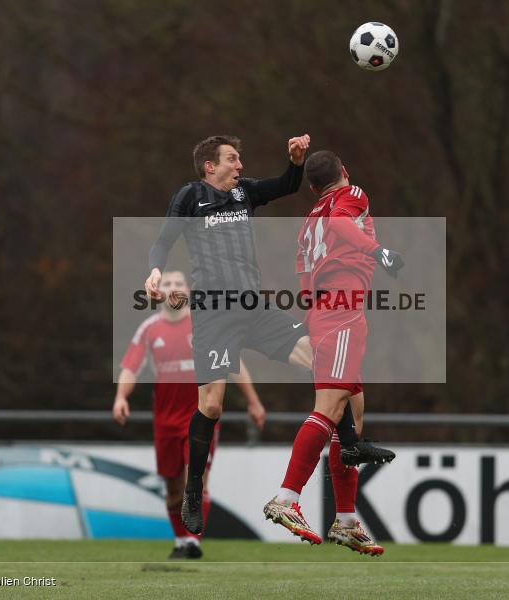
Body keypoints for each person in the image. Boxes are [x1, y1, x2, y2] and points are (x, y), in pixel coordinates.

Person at [144, 135, 392, 535]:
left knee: (321, 358)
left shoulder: (245, 193)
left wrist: (295, 162)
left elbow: (286, 185)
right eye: (232, 158)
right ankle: (193, 492)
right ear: (210, 165)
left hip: (254, 309)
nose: (240, 165)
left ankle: (348, 442)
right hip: (213, 314)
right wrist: (155, 271)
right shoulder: (190, 196)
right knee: (211, 406)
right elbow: (162, 243)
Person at [263, 150, 404, 555]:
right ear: (344, 172)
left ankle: (345, 521)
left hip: (323, 313)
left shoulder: (308, 222)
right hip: (341, 312)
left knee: (352, 420)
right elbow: (343, 223)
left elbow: (304, 277)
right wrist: (379, 252)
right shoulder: (351, 194)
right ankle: (286, 498)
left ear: (311, 187)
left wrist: (313, 321)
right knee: (327, 409)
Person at [113, 270, 265, 559]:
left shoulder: (205, 324)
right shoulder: (149, 329)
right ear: (158, 290)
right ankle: (181, 541)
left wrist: (254, 401)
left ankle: (193, 542)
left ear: (187, 290)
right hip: (165, 421)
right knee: (173, 488)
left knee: (196, 480)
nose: (172, 288)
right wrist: (121, 397)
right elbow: (131, 367)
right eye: (166, 283)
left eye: (178, 284)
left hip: (199, 417)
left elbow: (234, 363)